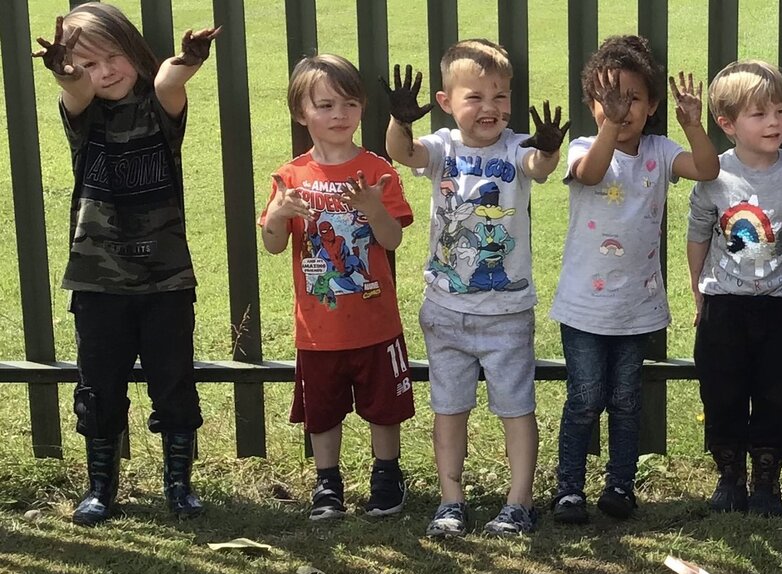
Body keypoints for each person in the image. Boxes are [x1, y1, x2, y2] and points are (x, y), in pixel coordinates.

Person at [33, 4, 219, 525]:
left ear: (134, 52)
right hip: (97, 280)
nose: (105, 71)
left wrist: (188, 59)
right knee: (99, 384)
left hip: (166, 278)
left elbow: (168, 81)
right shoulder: (84, 114)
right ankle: (100, 486)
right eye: (90, 63)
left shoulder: (160, 108)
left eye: (113, 56)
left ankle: (179, 483)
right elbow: (74, 92)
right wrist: (69, 75)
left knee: (173, 379)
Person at [384, 40, 566, 537]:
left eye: (501, 97)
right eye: (476, 97)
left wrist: (547, 148)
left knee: (515, 406)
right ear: (446, 102)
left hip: (506, 311)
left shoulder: (516, 146)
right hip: (445, 310)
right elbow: (403, 153)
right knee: (449, 407)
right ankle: (451, 500)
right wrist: (400, 121)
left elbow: (538, 168)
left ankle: (519, 502)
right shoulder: (443, 147)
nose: (491, 109)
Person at [548, 35, 719, 525]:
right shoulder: (585, 145)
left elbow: (706, 168)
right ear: (591, 104)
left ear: (653, 105)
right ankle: (568, 490)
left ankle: (620, 484)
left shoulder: (662, 151)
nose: (621, 110)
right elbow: (589, 173)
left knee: (625, 400)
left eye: (633, 100)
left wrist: (693, 125)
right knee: (584, 399)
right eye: (609, 100)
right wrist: (610, 125)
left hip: (636, 306)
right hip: (583, 306)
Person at [261, 55, 414, 521]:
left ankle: (387, 476)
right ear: (300, 112)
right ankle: (328, 484)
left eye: (349, 104)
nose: (338, 115)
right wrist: (279, 215)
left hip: (375, 322)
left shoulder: (376, 169)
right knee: (321, 413)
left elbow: (392, 239)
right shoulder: (290, 178)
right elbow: (271, 244)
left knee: (384, 408)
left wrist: (372, 207)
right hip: (318, 329)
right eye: (325, 105)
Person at [686, 60, 782, 516]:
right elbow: (699, 233)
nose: (774, 123)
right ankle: (729, 476)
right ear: (727, 125)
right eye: (759, 115)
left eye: (780, 112)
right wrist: (697, 290)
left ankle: (767, 480)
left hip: (779, 304)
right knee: (721, 389)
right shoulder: (713, 174)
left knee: (777, 392)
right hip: (724, 303)